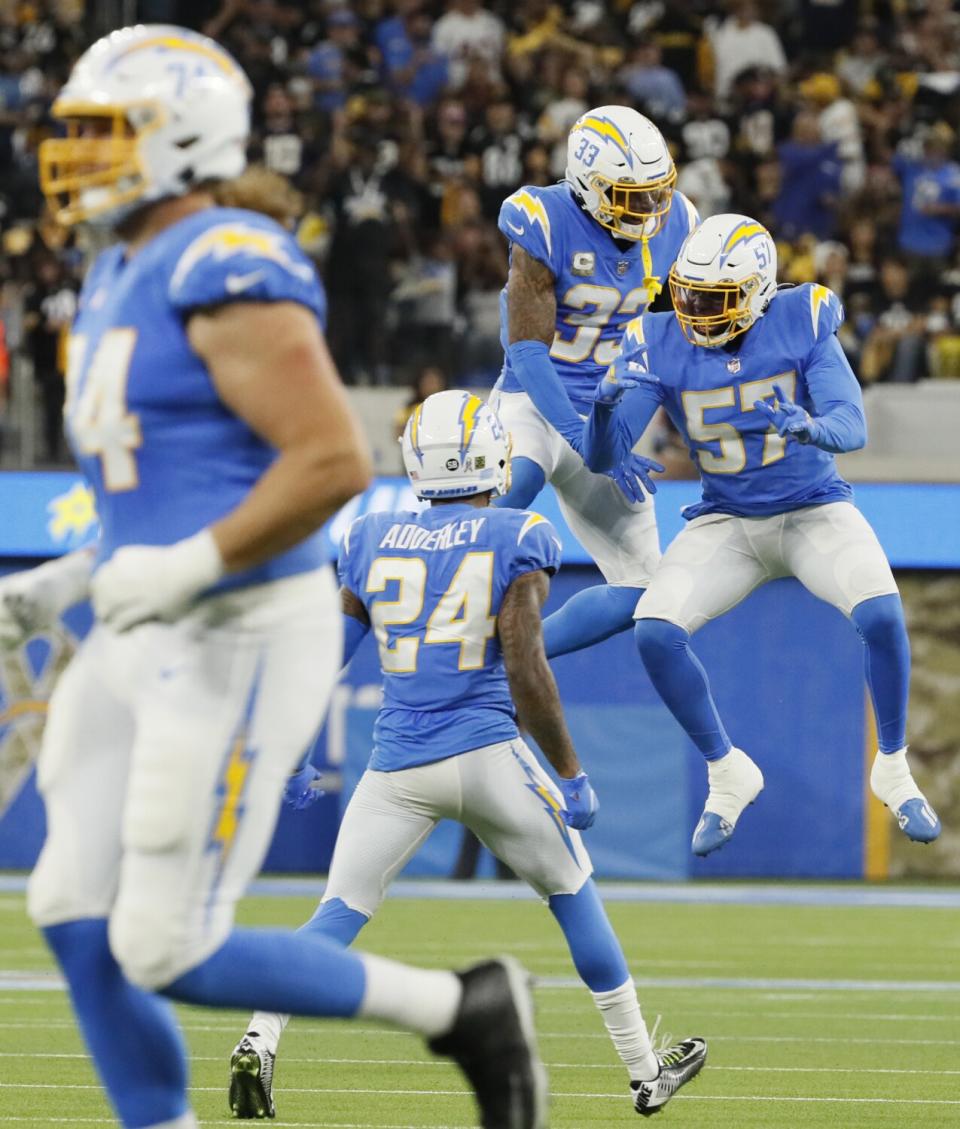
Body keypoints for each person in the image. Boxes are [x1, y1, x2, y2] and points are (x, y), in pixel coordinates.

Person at [0, 26, 546, 1129]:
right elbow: (178, 488)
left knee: (162, 940)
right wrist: (74, 576)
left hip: (238, 629)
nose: (76, 156)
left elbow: (331, 458)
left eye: (107, 132)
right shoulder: (116, 266)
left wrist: (187, 567)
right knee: (66, 900)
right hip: (149, 624)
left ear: (185, 138)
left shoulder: (223, 258)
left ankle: (462, 1008)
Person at [230, 389, 707, 1119]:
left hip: (397, 766)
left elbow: (324, 654)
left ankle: (261, 1036)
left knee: (338, 909)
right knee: (574, 895)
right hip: (490, 753)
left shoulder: (371, 535)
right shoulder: (518, 531)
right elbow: (527, 669)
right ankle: (645, 1070)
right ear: (490, 453)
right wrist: (570, 773)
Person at [581, 213, 942, 857]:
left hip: (812, 509)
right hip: (728, 521)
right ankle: (726, 771)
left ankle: (891, 764)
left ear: (757, 293)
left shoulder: (799, 320)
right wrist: (604, 406)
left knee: (884, 616)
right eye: (688, 294)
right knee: (655, 632)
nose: (695, 312)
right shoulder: (660, 339)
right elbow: (603, 458)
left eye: (713, 299)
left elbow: (852, 426)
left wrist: (810, 428)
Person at [491, 105, 699, 659]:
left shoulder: (679, 222)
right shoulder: (544, 218)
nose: (652, 208)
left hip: (608, 414)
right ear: (588, 185)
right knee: (492, 516)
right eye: (633, 195)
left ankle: (511, 660)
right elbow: (528, 350)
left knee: (646, 589)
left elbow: (680, 343)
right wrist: (578, 435)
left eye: (658, 191)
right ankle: (428, 648)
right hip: (532, 403)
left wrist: (685, 437)